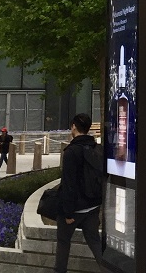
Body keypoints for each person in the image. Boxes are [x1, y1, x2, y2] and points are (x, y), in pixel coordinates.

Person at [54, 113, 106, 273]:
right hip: (93, 206)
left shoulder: (71, 151)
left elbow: (69, 184)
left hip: (75, 208)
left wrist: (68, 212)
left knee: (63, 242)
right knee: (95, 243)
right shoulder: (98, 149)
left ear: (74, 126)